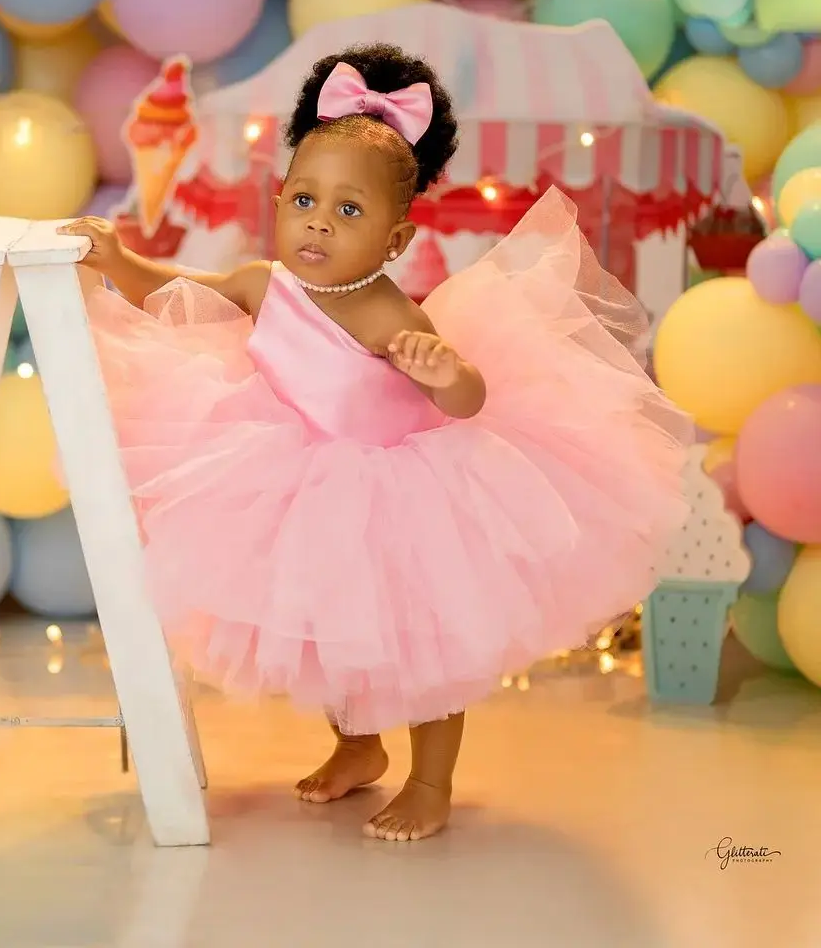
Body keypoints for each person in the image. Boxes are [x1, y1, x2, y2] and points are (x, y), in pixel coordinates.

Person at [59, 43, 691, 842]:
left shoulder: (394, 316)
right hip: (299, 476)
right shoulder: (266, 283)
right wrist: (123, 260)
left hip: (402, 494)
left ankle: (431, 780)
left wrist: (442, 367)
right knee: (330, 627)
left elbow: (468, 402)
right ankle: (357, 747)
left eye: (349, 211)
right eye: (304, 200)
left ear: (395, 242)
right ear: (280, 199)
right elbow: (186, 292)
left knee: (421, 647)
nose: (319, 221)